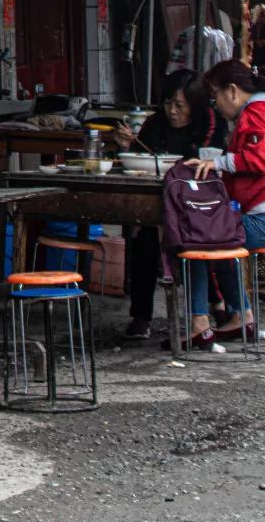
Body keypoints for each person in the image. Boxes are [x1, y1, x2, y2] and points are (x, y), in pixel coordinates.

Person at [113, 69, 217, 341]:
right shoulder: (155, 123)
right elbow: (140, 158)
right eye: (168, 103)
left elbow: (211, 162)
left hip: (196, 204)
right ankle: (140, 317)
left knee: (202, 247)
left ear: (194, 106)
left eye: (180, 105)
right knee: (144, 243)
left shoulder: (208, 124)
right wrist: (126, 147)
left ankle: (216, 307)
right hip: (156, 200)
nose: (172, 111)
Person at [190, 58, 265, 343]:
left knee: (198, 239)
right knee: (217, 240)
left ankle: (201, 321)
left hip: (261, 218)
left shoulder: (256, 112)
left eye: (216, 97)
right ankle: (239, 316)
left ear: (232, 91)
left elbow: (260, 158)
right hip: (257, 213)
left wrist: (219, 162)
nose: (216, 106)